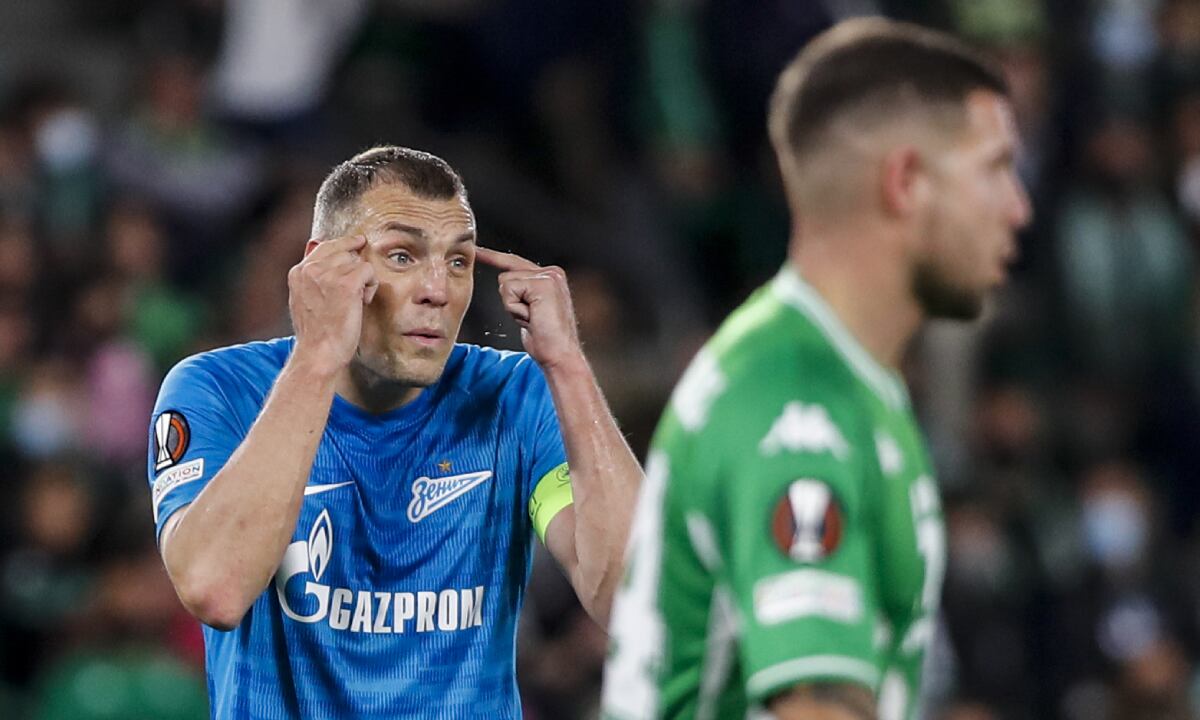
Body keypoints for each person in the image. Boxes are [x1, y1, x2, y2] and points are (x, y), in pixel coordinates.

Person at [602, 17, 1031, 720]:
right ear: (906, 182)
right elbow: (818, 706)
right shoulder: (796, 402)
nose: (1018, 207)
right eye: (995, 169)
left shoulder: (843, 380)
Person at [146, 146, 642, 718]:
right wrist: (316, 357)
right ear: (322, 268)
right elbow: (216, 588)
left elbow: (635, 603)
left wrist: (569, 368)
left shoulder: (514, 397)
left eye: (458, 262)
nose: (438, 288)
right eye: (403, 256)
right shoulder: (219, 390)